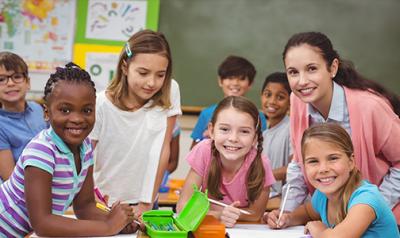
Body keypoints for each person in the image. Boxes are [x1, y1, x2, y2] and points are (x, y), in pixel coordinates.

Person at [0, 63, 139, 237]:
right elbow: (43, 223)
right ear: (46, 113)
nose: (77, 119)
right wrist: (108, 226)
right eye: (65, 110)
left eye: (87, 110)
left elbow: (85, 206)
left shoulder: (86, 147)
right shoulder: (41, 151)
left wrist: (115, 220)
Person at [278, 31, 400, 225]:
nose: (302, 81)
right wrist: (286, 213)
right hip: (334, 221)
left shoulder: (370, 106)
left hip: (384, 223)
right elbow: (298, 164)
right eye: (293, 72)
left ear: (332, 68)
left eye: (311, 69)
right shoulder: (297, 101)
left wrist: (370, 209)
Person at [90, 30, 182, 216]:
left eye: (160, 74)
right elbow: (85, 157)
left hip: (146, 203)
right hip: (105, 202)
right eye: (143, 73)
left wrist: (147, 202)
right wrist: (92, 197)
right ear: (125, 67)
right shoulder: (100, 104)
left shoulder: (170, 91)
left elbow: (163, 149)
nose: (152, 82)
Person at [265, 123, 399, 238]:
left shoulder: (366, 199)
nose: (323, 169)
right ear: (304, 167)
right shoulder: (323, 196)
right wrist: (288, 218)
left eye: (333, 158)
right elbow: (307, 212)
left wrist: (321, 232)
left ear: (351, 162)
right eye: (313, 161)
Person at [177, 96, 275, 227]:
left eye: (244, 131)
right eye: (224, 129)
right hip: (210, 228)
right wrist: (219, 215)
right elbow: (182, 207)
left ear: (255, 138)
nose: (233, 138)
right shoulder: (204, 151)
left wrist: (225, 214)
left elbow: (255, 214)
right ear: (211, 131)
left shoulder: (261, 163)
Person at [190, 55, 267, 149]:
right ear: (220, 81)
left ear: (250, 83)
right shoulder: (207, 114)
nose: (235, 83)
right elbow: (194, 150)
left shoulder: (258, 115)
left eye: (241, 79)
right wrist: (206, 139)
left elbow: (261, 148)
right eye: (230, 78)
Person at [0, 52, 47, 183]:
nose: (10, 83)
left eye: (17, 77)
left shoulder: (39, 109)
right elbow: (10, 178)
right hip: (19, 194)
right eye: (1, 79)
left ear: (28, 82)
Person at [260, 72, 292, 198]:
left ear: (290, 101)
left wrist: (261, 178)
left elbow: (294, 169)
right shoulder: (264, 135)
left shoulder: (291, 128)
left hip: (283, 200)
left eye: (280, 97)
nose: (272, 101)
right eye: (267, 95)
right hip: (267, 196)